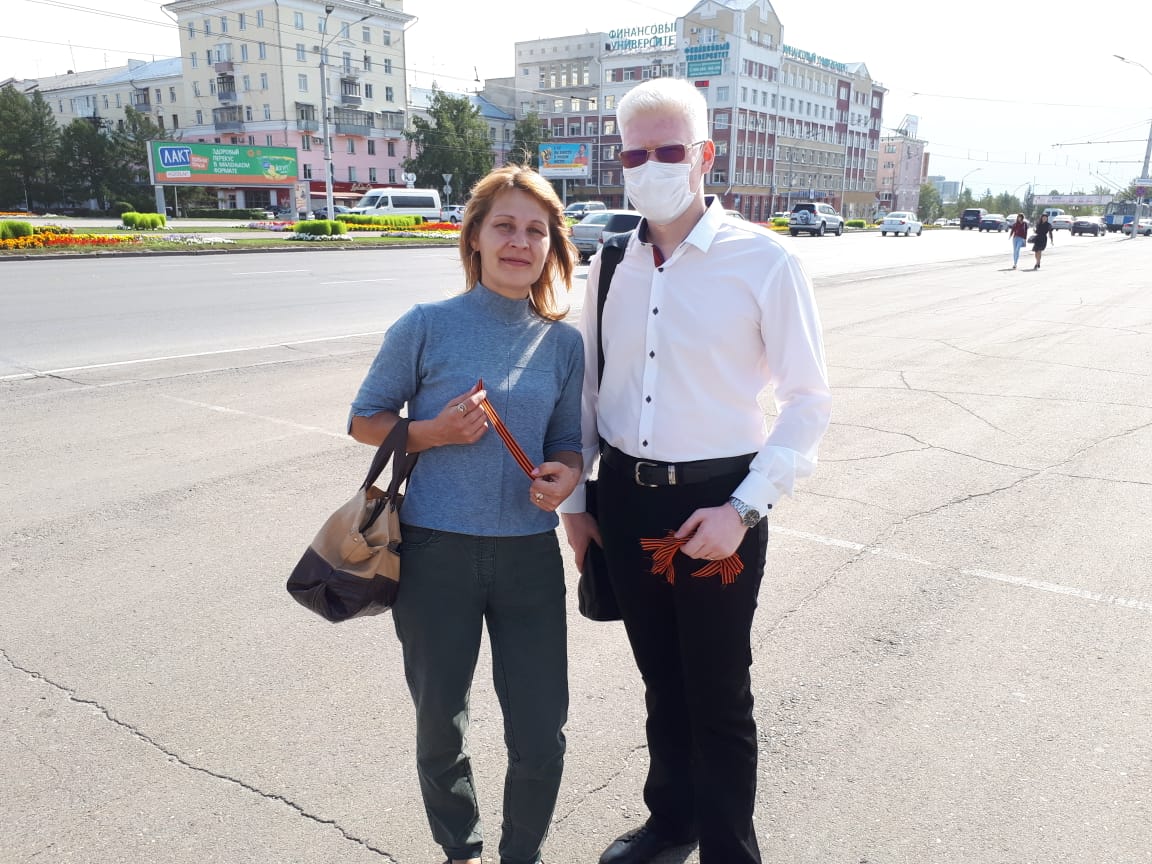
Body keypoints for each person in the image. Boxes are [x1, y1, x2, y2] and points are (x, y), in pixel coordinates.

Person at [558, 78, 832, 864]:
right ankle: (671, 822)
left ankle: (729, 851)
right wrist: (578, 507)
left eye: (669, 150)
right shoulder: (610, 263)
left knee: (717, 693)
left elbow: (809, 401)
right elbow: (591, 391)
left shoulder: (765, 261)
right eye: (635, 154)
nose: (651, 166)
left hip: (719, 504)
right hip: (626, 504)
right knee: (661, 682)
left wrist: (742, 511)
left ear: (705, 155)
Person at [348, 164, 584, 864]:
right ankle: (462, 848)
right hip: (434, 552)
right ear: (474, 236)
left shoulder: (563, 343)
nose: (519, 242)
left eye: (536, 231)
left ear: (551, 247)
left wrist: (565, 474)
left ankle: (522, 852)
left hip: (528, 556)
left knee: (541, 729)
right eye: (504, 226)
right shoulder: (427, 326)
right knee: (439, 723)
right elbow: (364, 420)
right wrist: (432, 432)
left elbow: (567, 441)